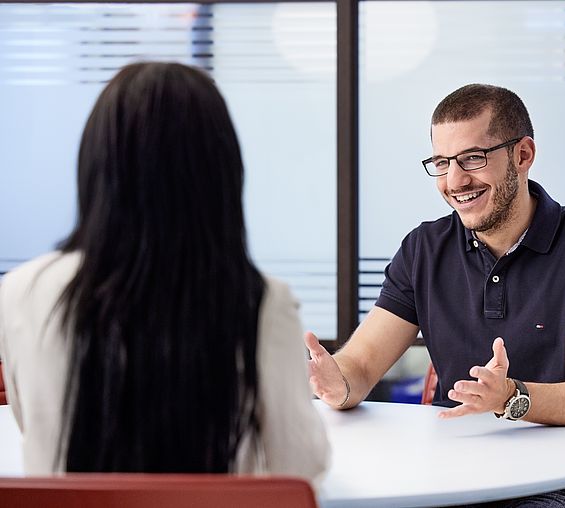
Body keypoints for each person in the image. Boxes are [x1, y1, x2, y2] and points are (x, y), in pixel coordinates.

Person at [305, 84, 565, 507]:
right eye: (441, 163)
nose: (455, 181)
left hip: (564, 485)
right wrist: (339, 383)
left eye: (473, 159)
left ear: (523, 155)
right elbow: (363, 363)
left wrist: (510, 397)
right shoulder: (424, 248)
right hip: (449, 476)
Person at [0, 62, 328, 481]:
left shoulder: (22, 291)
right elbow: (300, 463)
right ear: (218, 173)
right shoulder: (257, 299)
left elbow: (34, 425)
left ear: (96, 165)